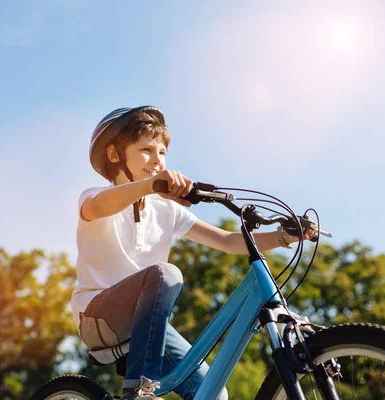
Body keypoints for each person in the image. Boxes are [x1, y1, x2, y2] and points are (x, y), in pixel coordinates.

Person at [71, 106, 317, 400]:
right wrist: (151, 185)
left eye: (162, 152)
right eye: (146, 150)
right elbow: (100, 207)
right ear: (114, 156)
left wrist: (283, 236)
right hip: (97, 317)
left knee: (213, 392)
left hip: (145, 326)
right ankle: (138, 389)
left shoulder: (166, 210)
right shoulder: (94, 197)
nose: (157, 159)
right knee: (166, 273)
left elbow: (226, 241)